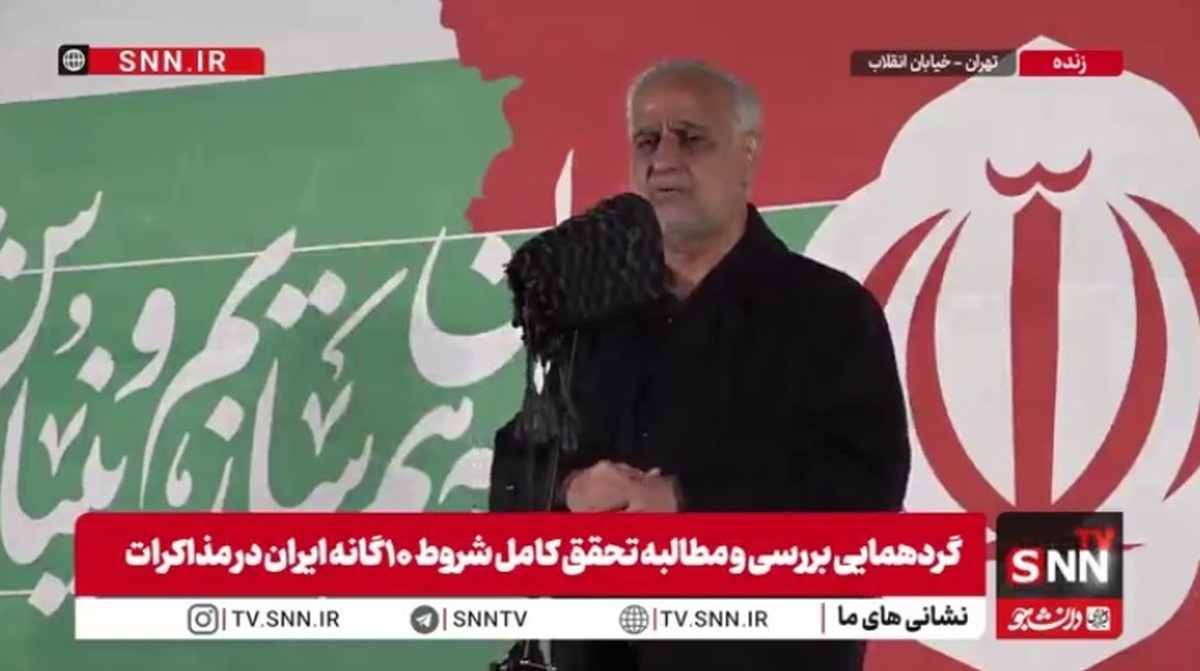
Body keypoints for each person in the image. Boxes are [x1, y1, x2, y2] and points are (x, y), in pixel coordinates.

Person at [489, 59, 912, 671]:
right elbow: (518, 461)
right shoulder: (591, 319)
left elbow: (864, 497)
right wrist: (569, 487)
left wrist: (684, 498)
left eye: (690, 138)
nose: (663, 160)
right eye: (647, 140)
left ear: (746, 156)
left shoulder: (829, 313)